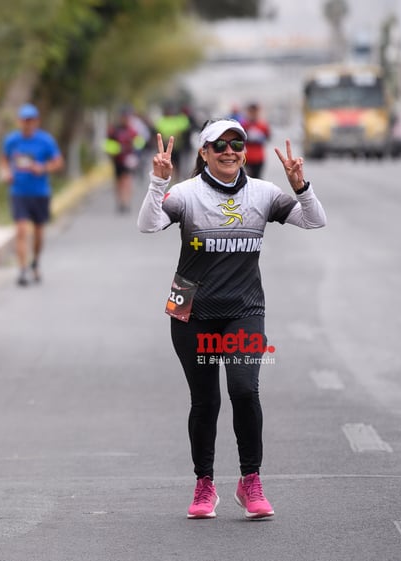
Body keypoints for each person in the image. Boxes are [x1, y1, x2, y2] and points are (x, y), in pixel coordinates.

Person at [136, 119, 326, 520]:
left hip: (243, 309)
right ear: (203, 152)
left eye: (235, 144)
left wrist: (300, 187)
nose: (228, 151)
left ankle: (250, 481)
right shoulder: (186, 194)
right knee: (205, 400)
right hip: (189, 308)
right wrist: (157, 182)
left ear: (244, 150)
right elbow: (148, 225)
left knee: (244, 390)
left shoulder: (263, 193)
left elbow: (314, 220)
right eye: (217, 145)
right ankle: (204, 485)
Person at [0, 103, 64, 286]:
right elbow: (4, 160)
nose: (27, 124)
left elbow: (58, 162)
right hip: (19, 191)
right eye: (24, 120)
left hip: (40, 192)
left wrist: (43, 168)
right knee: (20, 230)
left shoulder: (45, 141)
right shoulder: (12, 140)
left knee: (38, 232)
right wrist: (6, 173)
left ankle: (35, 261)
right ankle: (22, 269)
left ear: (36, 121)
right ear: (19, 121)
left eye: (31, 120)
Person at [104, 106, 143, 214]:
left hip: (128, 160)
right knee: (118, 181)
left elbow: (139, 144)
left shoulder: (132, 131)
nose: (126, 119)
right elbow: (108, 144)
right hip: (117, 159)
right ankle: (120, 201)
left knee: (127, 180)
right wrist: (114, 150)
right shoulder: (114, 130)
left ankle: (126, 202)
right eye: (124, 117)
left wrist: (135, 153)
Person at [241, 102, 271, 178]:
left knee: (258, 179)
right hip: (246, 157)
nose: (253, 113)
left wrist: (259, 138)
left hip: (259, 158)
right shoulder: (244, 124)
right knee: (248, 179)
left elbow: (268, 137)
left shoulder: (263, 125)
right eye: (251, 111)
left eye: (255, 111)